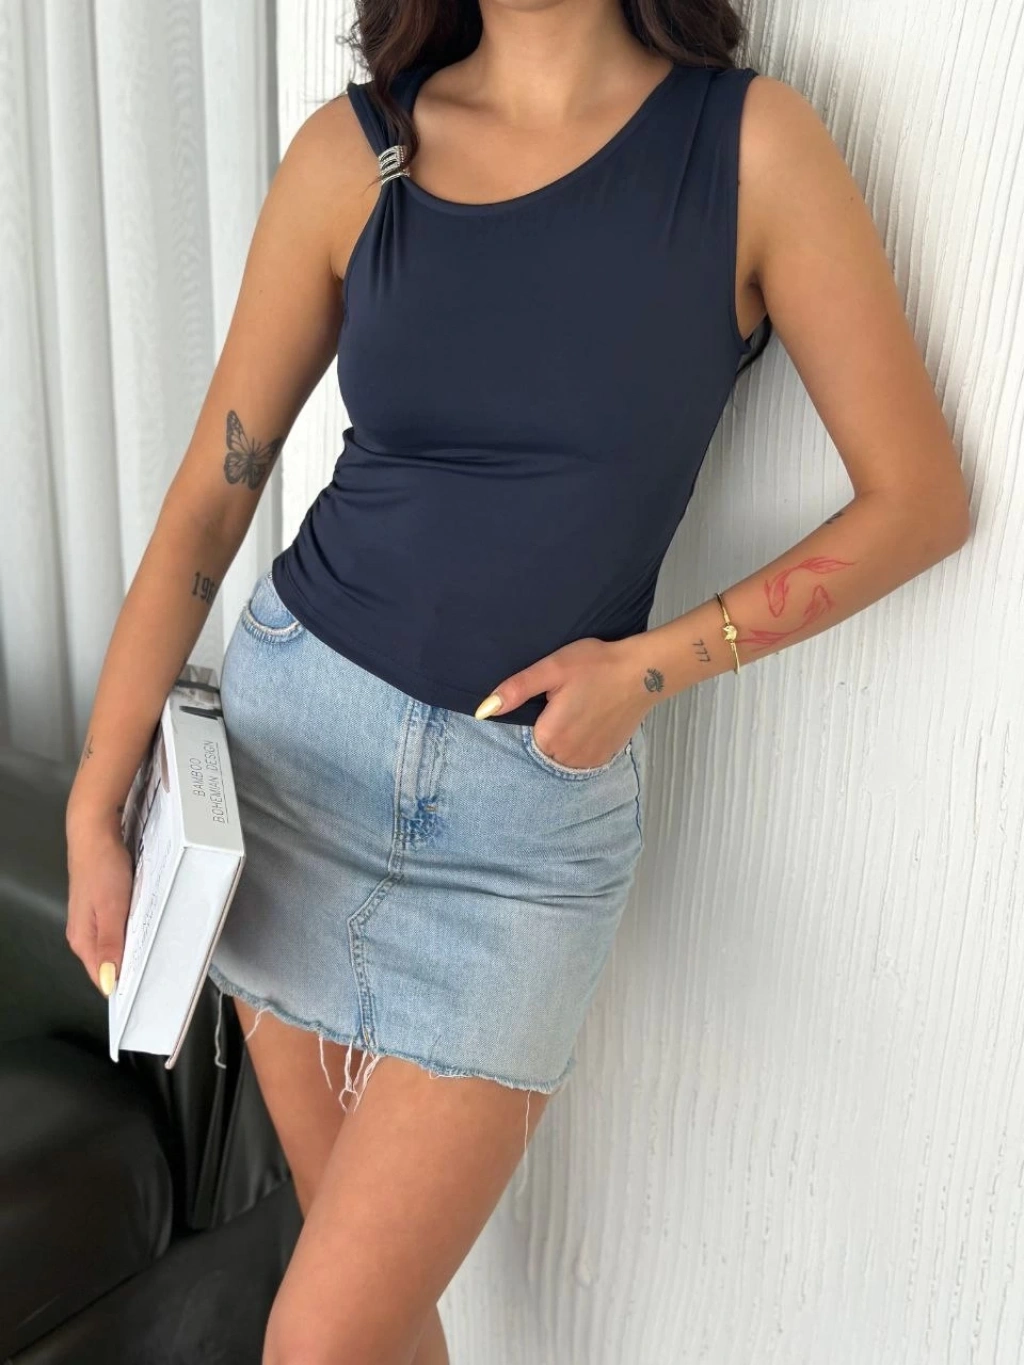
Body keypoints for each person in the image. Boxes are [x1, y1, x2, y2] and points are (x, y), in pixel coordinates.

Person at [64, 0, 970, 1359]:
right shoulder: (354, 156)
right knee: (369, 1320)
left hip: (521, 835)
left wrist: (656, 667)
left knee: (322, 1339)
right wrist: (98, 798)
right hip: (294, 756)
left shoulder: (751, 150)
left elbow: (919, 500)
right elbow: (210, 500)